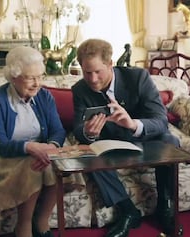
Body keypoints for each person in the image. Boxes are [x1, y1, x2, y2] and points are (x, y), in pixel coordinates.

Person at [71, 38, 180, 237]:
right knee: (84, 152)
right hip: (110, 145)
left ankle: (166, 206)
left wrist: (132, 124)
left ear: (110, 64)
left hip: (143, 140)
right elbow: (78, 127)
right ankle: (128, 211)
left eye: (98, 72)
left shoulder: (138, 78)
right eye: (87, 73)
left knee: (171, 141)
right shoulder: (80, 89)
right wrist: (88, 131)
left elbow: (160, 120)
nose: (93, 79)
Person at [0, 46, 65, 237]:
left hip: (38, 153)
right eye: (31, 78)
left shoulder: (45, 96)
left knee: (56, 165)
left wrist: (53, 147)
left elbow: (58, 130)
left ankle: (41, 223)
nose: (37, 83)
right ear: (13, 76)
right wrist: (30, 147)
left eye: (40, 76)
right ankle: (23, 227)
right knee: (33, 166)